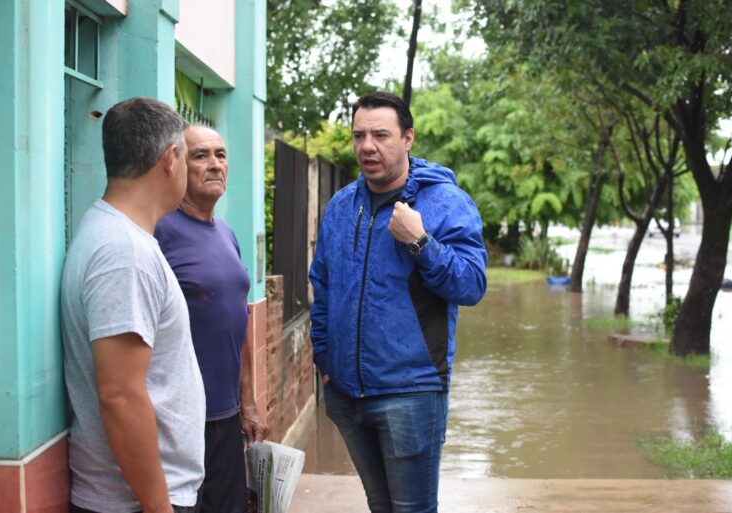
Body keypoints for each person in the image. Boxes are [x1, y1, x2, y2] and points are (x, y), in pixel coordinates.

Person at [308, 91, 488, 513]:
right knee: (379, 505)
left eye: (380, 135)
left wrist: (421, 242)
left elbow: (472, 285)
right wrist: (325, 362)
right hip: (347, 393)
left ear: (407, 138)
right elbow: (323, 286)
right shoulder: (341, 206)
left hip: (411, 391)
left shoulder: (444, 202)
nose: (367, 146)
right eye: (359, 135)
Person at [60, 97, 205, 513]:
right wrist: (158, 507)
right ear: (171, 158)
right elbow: (120, 396)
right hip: (136, 501)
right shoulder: (124, 252)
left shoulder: (117, 236)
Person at [155, 125, 270, 513]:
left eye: (220, 155)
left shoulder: (226, 232)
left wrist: (248, 403)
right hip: (180, 422)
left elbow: (239, 318)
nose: (215, 164)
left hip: (227, 417)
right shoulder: (160, 232)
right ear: (177, 164)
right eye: (200, 155)